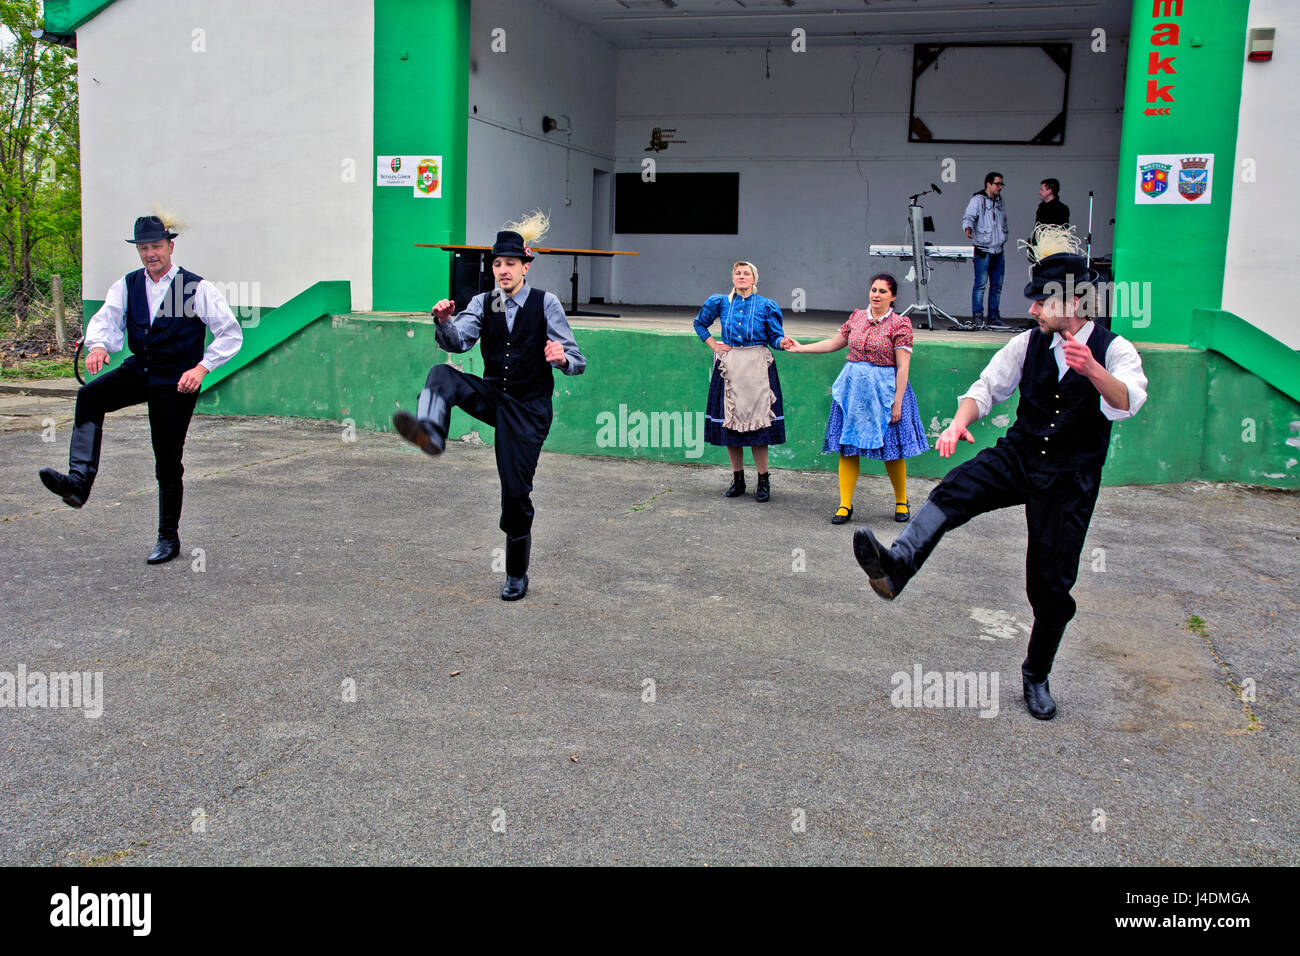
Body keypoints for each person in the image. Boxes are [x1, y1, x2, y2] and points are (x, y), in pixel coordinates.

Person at [852, 226, 1148, 721]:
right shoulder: (1026, 344)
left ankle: (1036, 674)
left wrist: (1094, 370)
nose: (1031, 310)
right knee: (956, 488)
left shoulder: (1117, 351)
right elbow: (986, 388)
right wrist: (960, 424)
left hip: (1070, 478)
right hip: (1021, 454)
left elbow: (1128, 402)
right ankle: (897, 565)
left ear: (1073, 300)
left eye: (1039, 302)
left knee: (1049, 588)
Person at [392, 213, 585, 601]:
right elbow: (458, 342)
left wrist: (561, 357)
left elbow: (578, 361)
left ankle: (516, 573)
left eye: (510, 263)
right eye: (496, 264)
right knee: (442, 374)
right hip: (496, 396)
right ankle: (431, 432)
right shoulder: (482, 302)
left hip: (529, 409)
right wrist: (443, 322)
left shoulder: (547, 304)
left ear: (525, 266)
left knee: (515, 492)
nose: (502, 270)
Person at [37, 214, 243, 564]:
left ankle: (168, 538)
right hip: (141, 368)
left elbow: (230, 333)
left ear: (170, 247)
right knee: (90, 396)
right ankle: (78, 483)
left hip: (177, 379)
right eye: (144, 248)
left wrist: (201, 367)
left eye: (157, 246)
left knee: (166, 459)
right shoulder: (128, 284)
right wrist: (99, 346)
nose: (151, 254)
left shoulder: (195, 287)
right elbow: (106, 319)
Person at [784, 273, 928, 523]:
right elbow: (833, 343)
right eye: (873, 289)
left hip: (884, 393)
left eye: (883, 291)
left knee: (892, 450)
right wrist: (800, 347)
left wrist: (897, 401)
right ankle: (844, 505)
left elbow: (903, 367)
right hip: (852, 392)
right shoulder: (857, 318)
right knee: (848, 448)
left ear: (892, 297)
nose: (876, 295)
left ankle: (902, 501)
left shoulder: (900, 324)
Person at [694, 261, 788, 502]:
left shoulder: (766, 305)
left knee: (759, 427)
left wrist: (783, 343)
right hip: (730, 365)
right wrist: (713, 344)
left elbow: (775, 336)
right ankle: (738, 479)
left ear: (754, 279)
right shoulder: (721, 301)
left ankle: (763, 481)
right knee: (731, 424)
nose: (742, 277)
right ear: (732, 277)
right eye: (738, 273)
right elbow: (699, 323)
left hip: (757, 366)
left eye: (747, 273)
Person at [963, 172, 1011, 331]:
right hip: (983, 249)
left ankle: (994, 317)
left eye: (1001, 184)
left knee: (997, 285)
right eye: (997, 184)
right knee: (981, 285)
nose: (1000, 187)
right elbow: (968, 216)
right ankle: (978, 318)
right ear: (988, 184)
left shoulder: (1000, 200)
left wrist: (1005, 235)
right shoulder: (977, 199)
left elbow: (1003, 221)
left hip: (998, 249)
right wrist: (968, 227)